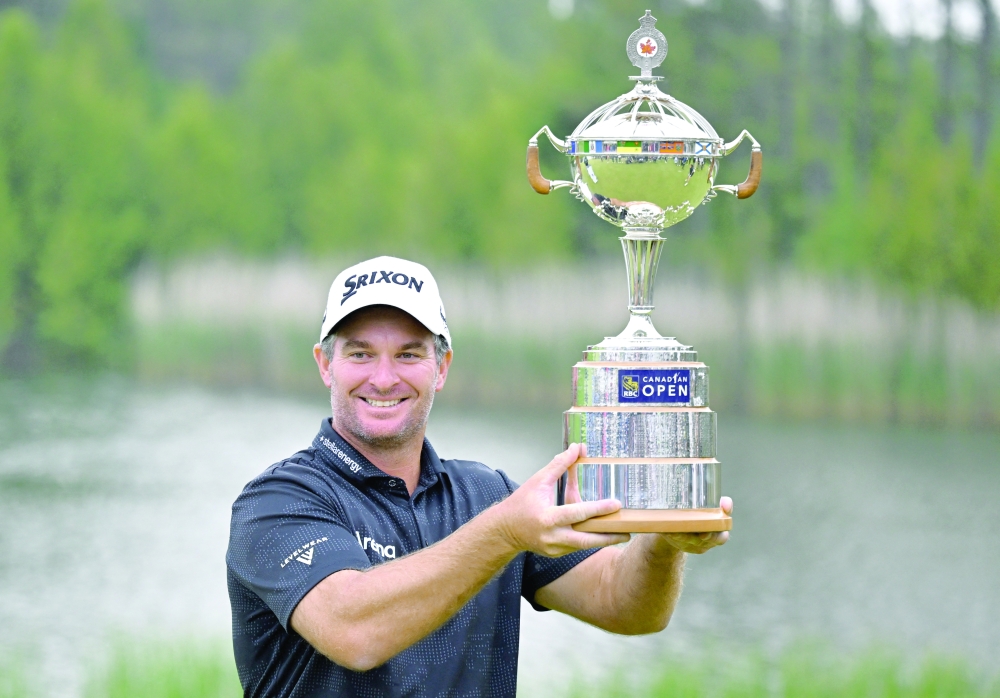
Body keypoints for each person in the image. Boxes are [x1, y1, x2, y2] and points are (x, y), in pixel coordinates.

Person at [226, 255, 732, 698]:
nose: (383, 378)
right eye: (360, 353)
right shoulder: (276, 502)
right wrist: (505, 532)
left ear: (441, 367)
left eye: (409, 353)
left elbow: (627, 607)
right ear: (325, 364)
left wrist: (663, 541)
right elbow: (352, 630)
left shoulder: (487, 494)